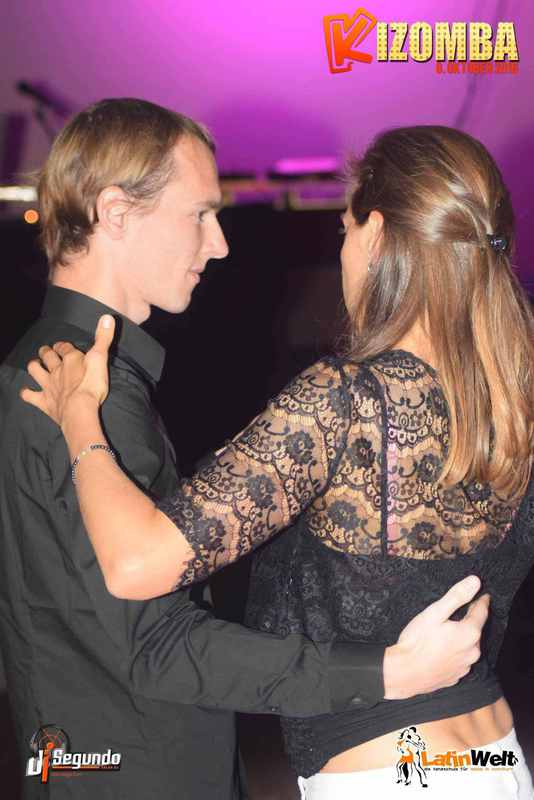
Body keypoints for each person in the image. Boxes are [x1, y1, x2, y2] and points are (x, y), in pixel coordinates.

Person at [0, 101, 484, 800]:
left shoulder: (61, 372)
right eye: (200, 214)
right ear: (116, 213)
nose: (220, 244)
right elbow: (156, 645)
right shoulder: (81, 392)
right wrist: (385, 672)